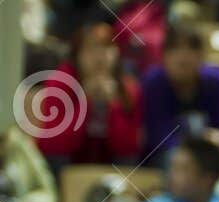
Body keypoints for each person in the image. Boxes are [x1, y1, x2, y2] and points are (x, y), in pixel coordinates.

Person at [33, 23, 143, 167]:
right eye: (91, 50)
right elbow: (54, 146)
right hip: (70, 166)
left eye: (106, 49)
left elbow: (128, 149)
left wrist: (114, 106)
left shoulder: (128, 89)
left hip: (110, 167)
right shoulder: (60, 83)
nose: (99, 57)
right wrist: (84, 101)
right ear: (77, 55)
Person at [140, 20, 219, 164]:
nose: (183, 56)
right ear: (163, 55)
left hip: (214, 153)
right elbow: (157, 139)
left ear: (202, 55)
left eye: (192, 48)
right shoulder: (153, 83)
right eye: (175, 48)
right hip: (171, 154)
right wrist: (198, 144)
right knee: (176, 160)